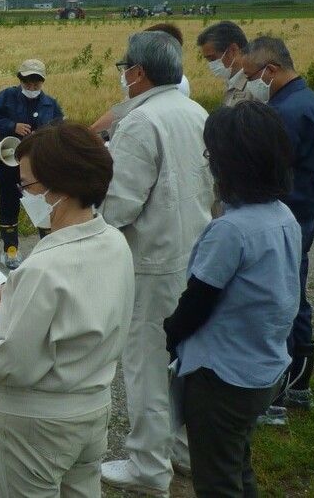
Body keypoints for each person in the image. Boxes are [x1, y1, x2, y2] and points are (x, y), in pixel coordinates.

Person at [0, 122, 135, 498]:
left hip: (39, 423)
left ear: (61, 188)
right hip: (94, 407)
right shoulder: (114, 241)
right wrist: (12, 290)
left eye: (28, 185)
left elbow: (11, 367)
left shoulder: (43, 267)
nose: (24, 195)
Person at [163, 101, 301, 496]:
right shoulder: (281, 215)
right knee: (236, 463)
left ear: (229, 163)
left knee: (215, 480)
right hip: (261, 368)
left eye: (211, 155)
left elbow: (197, 302)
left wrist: (168, 333)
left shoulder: (230, 231)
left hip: (221, 378)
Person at [100, 31, 214, 496]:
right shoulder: (196, 111)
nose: (123, 75)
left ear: (138, 72)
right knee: (184, 360)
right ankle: (185, 450)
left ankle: (148, 467)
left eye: (124, 66)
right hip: (194, 252)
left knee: (147, 364)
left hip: (150, 260)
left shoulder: (141, 123)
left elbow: (118, 206)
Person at [241, 36, 314, 418]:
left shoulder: (283, 113)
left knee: (279, 301)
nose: (250, 82)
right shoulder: (313, 102)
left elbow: (266, 171)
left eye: (251, 75)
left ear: (271, 70)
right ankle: (300, 386)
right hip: (307, 211)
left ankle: (276, 396)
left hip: (285, 216)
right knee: (295, 294)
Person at [0, 59, 64, 269]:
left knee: (43, 207)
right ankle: (10, 251)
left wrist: (43, 135)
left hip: (38, 165)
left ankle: (47, 250)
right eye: (27, 83)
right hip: (9, 162)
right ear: (20, 79)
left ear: (43, 82)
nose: (31, 87)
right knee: (9, 205)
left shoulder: (51, 104)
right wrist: (12, 126)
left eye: (36, 84)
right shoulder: (7, 96)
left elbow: (59, 127)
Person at [90, 23, 190, 138]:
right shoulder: (196, 111)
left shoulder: (174, 85)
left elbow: (129, 126)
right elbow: (122, 109)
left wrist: (102, 136)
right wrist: (91, 132)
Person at [197, 21, 260, 106]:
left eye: (213, 59)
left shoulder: (256, 87)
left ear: (233, 50)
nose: (211, 65)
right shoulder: (231, 83)